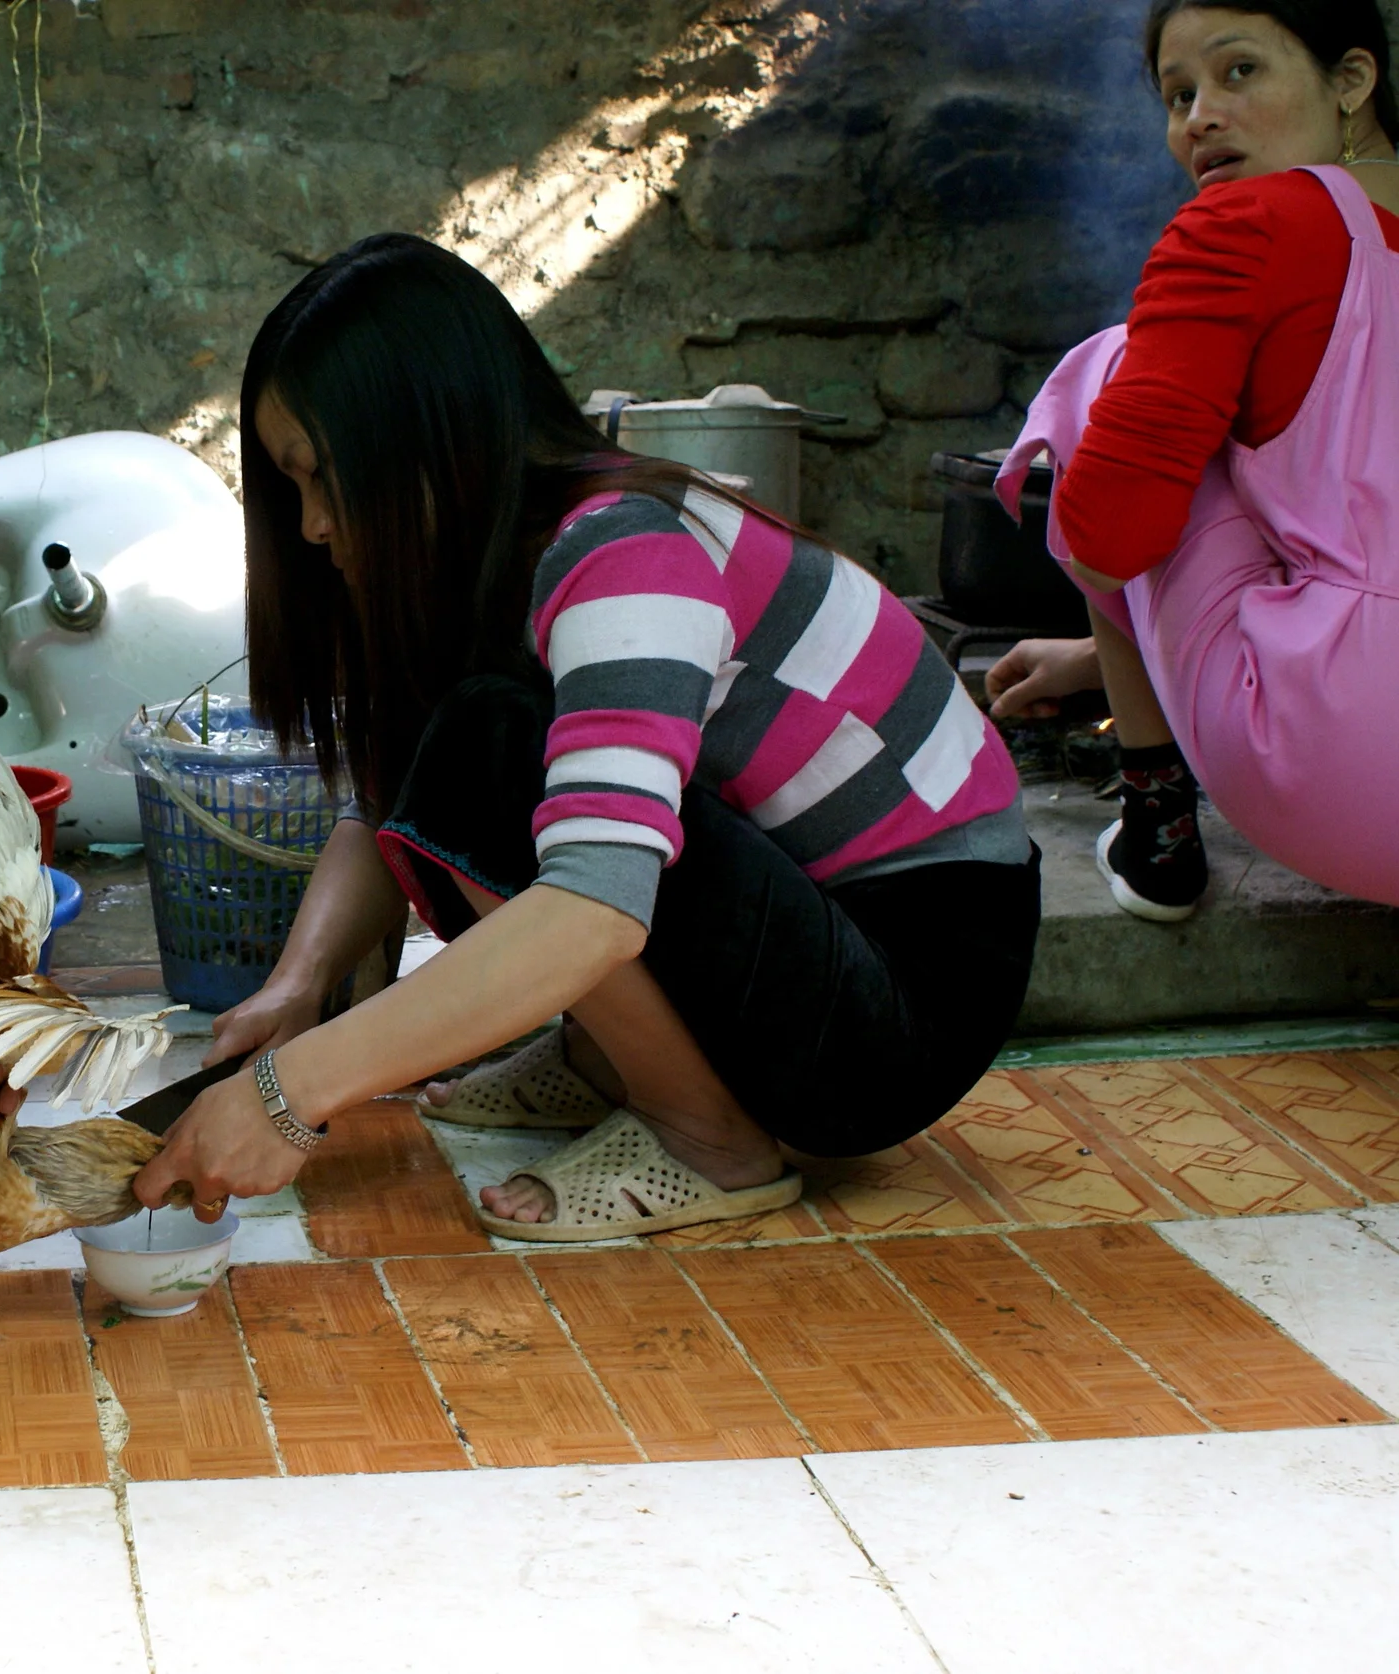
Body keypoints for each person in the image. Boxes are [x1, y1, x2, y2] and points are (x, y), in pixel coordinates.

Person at [132, 235, 1041, 1240]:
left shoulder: (623, 546)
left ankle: (710, 1139)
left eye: (324, 478)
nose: (309, 526)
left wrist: (288, 1094)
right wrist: (296, 993)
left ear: (430, 440)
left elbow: (592, 907)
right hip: (825, 932)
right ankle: (607, 1060)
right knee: (466, 743)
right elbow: (394, 794)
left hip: (911, 991)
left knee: (490, 752)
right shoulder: (498, 561)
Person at [986, 0, 1399, 918]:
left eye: (1238, 71)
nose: (1198, 117)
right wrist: (1099, 656)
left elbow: (1107, 540)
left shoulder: (1242, 227)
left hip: (1357, 780)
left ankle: (1158, 831)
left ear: (1351, 80)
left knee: (1115, 369)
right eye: (1177, 95)